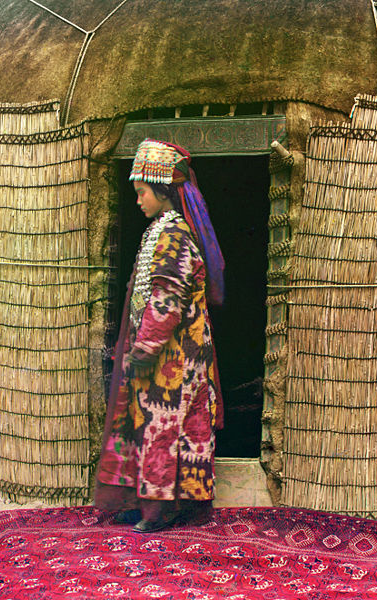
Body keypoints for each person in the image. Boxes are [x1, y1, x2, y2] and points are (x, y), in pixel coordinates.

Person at [94, 139, 225, 533]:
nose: (138, 200)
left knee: (164, 428)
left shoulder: (175, 235)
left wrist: (145, 346)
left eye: (142, 192)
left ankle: (160, 511)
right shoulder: (160, 230)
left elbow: (167, 298)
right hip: (161, 354)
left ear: (163, 190)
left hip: (176, 358)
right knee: (146, 425)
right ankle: (142, 502)